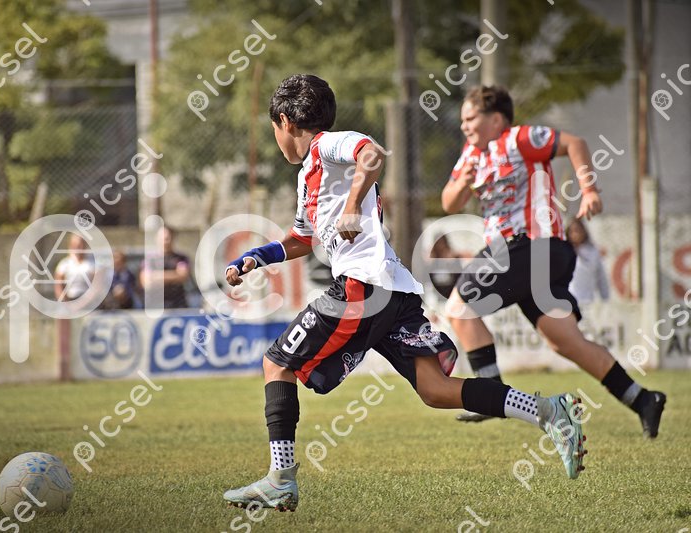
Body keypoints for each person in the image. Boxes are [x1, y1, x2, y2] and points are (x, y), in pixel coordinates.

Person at [222, 75, 586, 513]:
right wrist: (255, 258)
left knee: (276, 363)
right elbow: (300, 239)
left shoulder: (326, 145)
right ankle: (547, 411)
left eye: (274, 130)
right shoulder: (309, 178)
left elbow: (372, 153)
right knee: (435, 389)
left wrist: (353, 205)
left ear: (284, 121)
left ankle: (280, 480)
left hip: (361, 286)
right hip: (393, 292)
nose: (277, 139)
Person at [440, 85, 665, 434]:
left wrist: (588, 189)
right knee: (565, 341)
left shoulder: (518, 139)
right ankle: (642, 399)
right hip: (539, 257)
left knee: (459, 308)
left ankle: (490, 395)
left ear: (496, 119)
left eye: (470, 118)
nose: (464, 125)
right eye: (463, 120)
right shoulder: (471, 154)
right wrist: (462, 184)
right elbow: (448, 203)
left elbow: (574, 143)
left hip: (530, 245)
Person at [140, 226, 190, 309]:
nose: (165, 241)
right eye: (163, 238)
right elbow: (146, 282)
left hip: (177, 305)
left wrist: (155, 276)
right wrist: (174, 275)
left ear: (173, 238)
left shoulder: (181, 258)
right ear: (157, 239)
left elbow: (182, 276)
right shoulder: (149, 260)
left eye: (167, 238)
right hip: (155, 306)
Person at [566, 219, 610, 305]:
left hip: (588, 302)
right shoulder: (564, 252)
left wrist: (605, 299)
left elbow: (601, 277)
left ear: (584, 232)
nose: (575, 234)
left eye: (577, 230)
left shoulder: (593, 252)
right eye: (572, 231)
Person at [54, 234, 94, 301]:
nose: (77, 247)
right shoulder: (64, 264)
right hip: (70, 299)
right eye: (75, 245)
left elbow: (97, 285)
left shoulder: (92, 263)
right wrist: (65, 301)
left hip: (89, 300)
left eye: (80, 245)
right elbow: (58, 286)